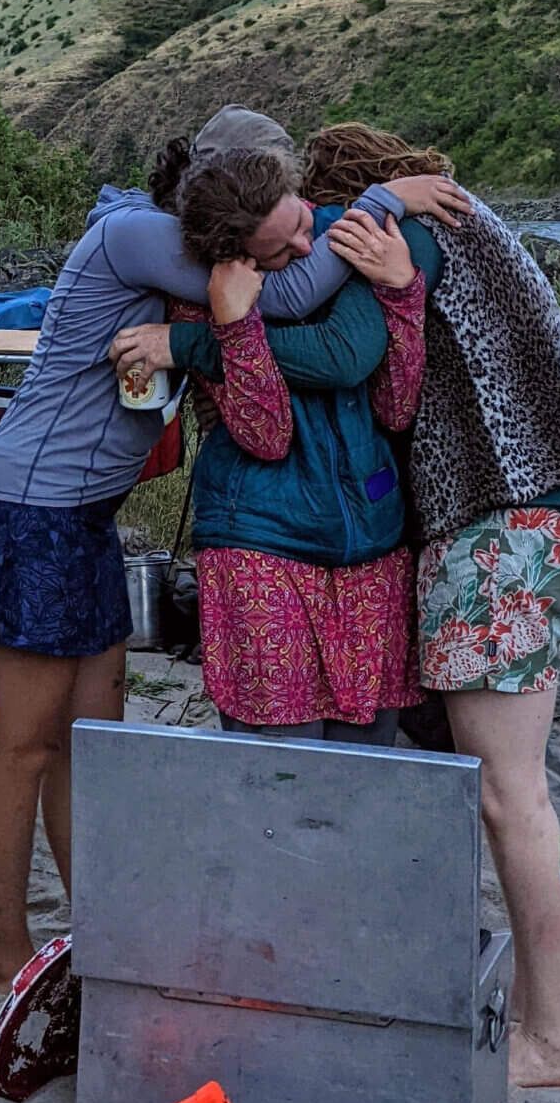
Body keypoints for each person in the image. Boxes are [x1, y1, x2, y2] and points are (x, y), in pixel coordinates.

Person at [0, 105, 470, 986]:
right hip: (30, 507)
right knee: (23, 745)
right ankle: (4, 959)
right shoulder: (135, 235)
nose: (297, 240)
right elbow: (284, 297)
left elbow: (281, 309)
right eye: (286, 225)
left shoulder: (181, 249)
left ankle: (91, 931)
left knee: (90, 737)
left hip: (83, 516)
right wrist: (383, 200)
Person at [306, 123, 560, 1091]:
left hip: (495, 532)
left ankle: (552, 1039)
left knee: (510, 797)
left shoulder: (407, 240)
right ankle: (546, 1008)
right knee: (522, 793)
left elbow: (374, 374)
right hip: (540, 522)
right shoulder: (474, 226)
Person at [128, 154, 441, 743]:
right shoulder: (207, 298)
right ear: (236, 256)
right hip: (262, 550)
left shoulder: (345, 242)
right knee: (280, 774)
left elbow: (396, 408)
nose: (306, 247)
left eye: (300, 219)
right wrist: (234, 325)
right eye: (282, 250)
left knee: (367, 768)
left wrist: (401, 292)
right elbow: (265, 435)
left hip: (371, 549)